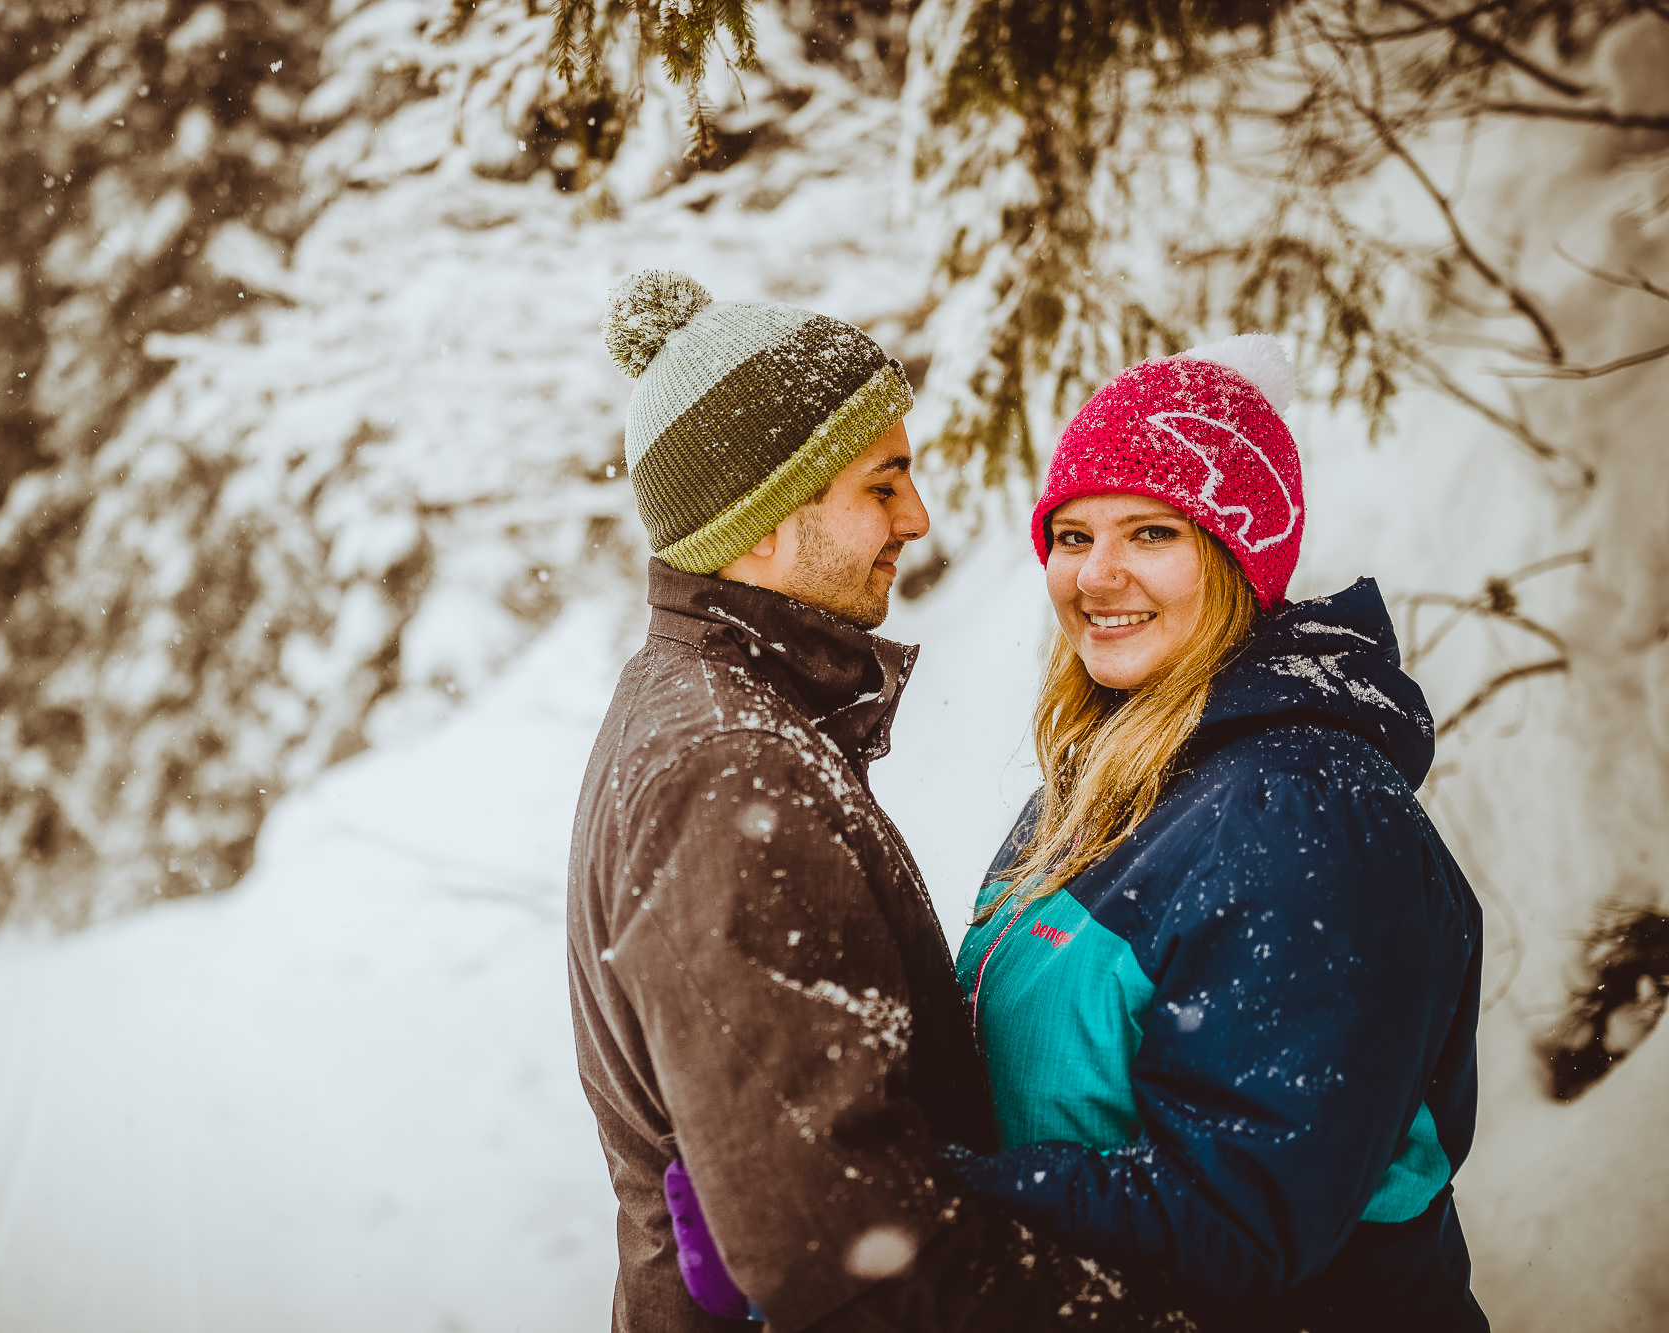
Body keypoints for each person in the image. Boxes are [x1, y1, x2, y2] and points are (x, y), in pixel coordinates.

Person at [566, 271, 1188, 1331]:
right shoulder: (727, 766)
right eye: (881, 482)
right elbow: (840, 1241)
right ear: (760, 521)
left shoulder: (714, 715)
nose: (917, 514)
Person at [948, 337, 1489, 1331]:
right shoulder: (1112, 770)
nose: (1093, 575)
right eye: (1070, 535)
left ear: (1241, 554)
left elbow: (1235, 1224)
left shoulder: (1308, 811)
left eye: (1149, 532)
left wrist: (914, 1196)